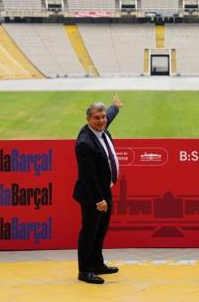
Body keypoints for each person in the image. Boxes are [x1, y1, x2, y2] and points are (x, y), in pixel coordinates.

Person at [73, 95, 123, 284]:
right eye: (97, 118)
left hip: (104, 190)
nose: (102, 120)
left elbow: (108, 114)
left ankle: (97, 263)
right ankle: (84, 271)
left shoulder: (101, 128)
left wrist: (115, 107)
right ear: (88, 120)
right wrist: (98, 200)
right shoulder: (85, 143)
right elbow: (88, 177)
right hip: (93, 195)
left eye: (103, 117)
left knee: (100, 231)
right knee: (89, 232)